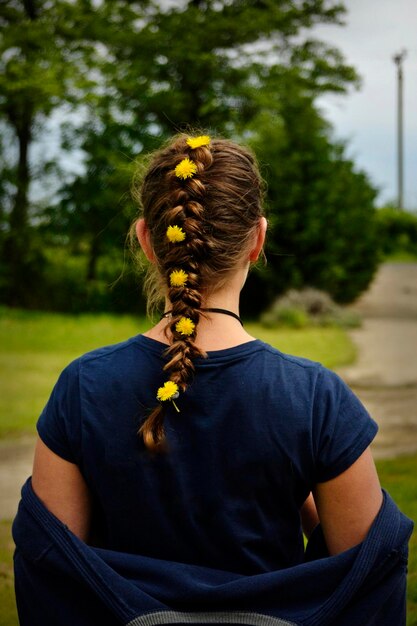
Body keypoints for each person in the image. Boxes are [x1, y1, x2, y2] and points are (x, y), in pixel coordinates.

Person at [14, 134, 412, 625]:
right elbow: (367, 581)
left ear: (146, 240)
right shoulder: (314, 399)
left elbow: (54, 581)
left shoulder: (82, 388)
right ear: (257, 240)